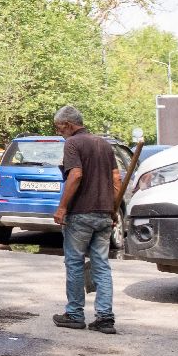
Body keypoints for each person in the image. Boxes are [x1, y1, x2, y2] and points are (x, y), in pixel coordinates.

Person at [49, 105, 123, 334]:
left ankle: (74, 314)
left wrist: (62, 207)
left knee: (75, 263)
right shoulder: (103, 144)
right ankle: (105, 317)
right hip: (103, 214)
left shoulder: (73, 143)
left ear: (69, 124)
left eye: (59, 127)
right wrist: (113, 210)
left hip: (80, 214)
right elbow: (116, 179)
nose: (59, 132)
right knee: (101, 265)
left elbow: (76, 174)